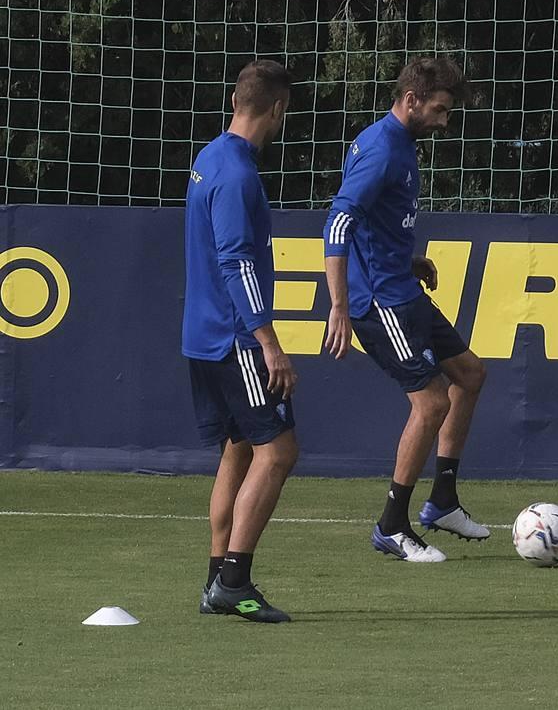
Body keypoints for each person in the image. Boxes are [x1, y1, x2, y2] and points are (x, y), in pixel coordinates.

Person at [322, 57, 489, 563]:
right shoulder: (380, 149)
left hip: (400, 284)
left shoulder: (401, 143)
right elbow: (338, 222)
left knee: (471, 374)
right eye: (439, 109)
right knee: (431, 402)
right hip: (378, 301)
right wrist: (339, 306)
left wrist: (407, 258)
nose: (444, 121)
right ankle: (392, 526)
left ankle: (442, 501)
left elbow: (375, 221)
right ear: (411, 99)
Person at [183, 59, 299, 623]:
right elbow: (236, 261)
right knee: (278, 450)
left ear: (235, 100)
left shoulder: (209, 158)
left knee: (238, 448)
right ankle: (234, 580)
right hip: (235, 340)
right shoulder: (238, 175)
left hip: (203, 337)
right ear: (277, 109)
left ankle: (215, 579)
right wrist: (268, 341)